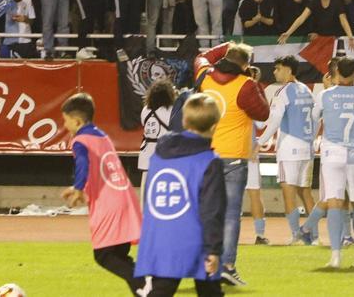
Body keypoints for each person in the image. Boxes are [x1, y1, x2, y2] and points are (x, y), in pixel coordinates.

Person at [134, 93, 226, 297]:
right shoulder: (210, 161)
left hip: (159, 237)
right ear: (214, 126)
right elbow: (212, 210)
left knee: (161, 290)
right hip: (194, 238)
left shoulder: (158, 154)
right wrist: (214, 249)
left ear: (184, 121)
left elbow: (150, 197)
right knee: (210, 290)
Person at [193, 43, 269, 286]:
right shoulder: (246, 85)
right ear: (246, 65)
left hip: (204, 155)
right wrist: (254, 81)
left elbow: (203, 56)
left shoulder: (205, 76)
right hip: (233, 156)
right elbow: (263, 112)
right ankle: (226, 265)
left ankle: (205, 265)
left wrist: (227, 45)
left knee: (204, 213)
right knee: (230, 215)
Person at [60, 92, 143, 294]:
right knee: (120, 255)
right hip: (125, 198)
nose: (65, 126)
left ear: (77, 120)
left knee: (104, 255)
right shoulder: (102, 136)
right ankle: (144, 288)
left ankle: (146, 285)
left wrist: (78, 187)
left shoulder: (80, 140)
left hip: (109, 204)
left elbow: (83, 163)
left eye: (66, 121)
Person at [312, 58, 354, 268]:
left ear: (336, 73)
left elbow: (315, 118)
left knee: (334, 202)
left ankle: (335, 257)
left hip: (333, 153)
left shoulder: (325, 95)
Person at [257, 56, 315, 245]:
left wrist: (260, 142)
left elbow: (274, 122)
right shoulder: (306, 90)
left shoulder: (283, 92)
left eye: (278, 68)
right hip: (306, 147)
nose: (274, 72)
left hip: (289, 148)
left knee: (288, 192)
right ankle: (314, 237)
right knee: (305, 192)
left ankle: (296, 235)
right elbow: (315, 119)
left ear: (289, 70)